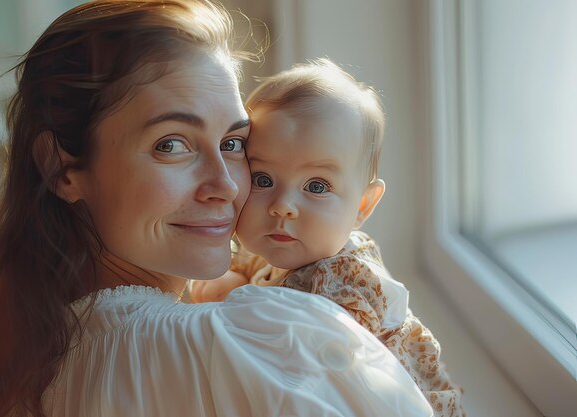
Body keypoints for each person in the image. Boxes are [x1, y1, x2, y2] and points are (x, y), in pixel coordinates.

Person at [0, 2, 434, 417]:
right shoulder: (255, 343)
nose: (224, 185)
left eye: (232, 142)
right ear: (62, 169)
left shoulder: (40, 354)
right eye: (172, 144)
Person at [191, 59, 465, 417]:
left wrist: (227, 295)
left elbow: (292, 351)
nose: (283, 207)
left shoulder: (343, 282)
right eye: (262, 180)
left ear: (362, 206)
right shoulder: (287, 249)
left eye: (316, 186)